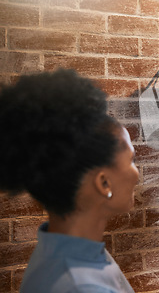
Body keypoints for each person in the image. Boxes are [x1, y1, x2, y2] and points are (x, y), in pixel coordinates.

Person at [0, 69, 138, 292]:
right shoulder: (82, 286)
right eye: (131, 160)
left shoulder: (57, 249)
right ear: (104, 183)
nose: (136, 173)